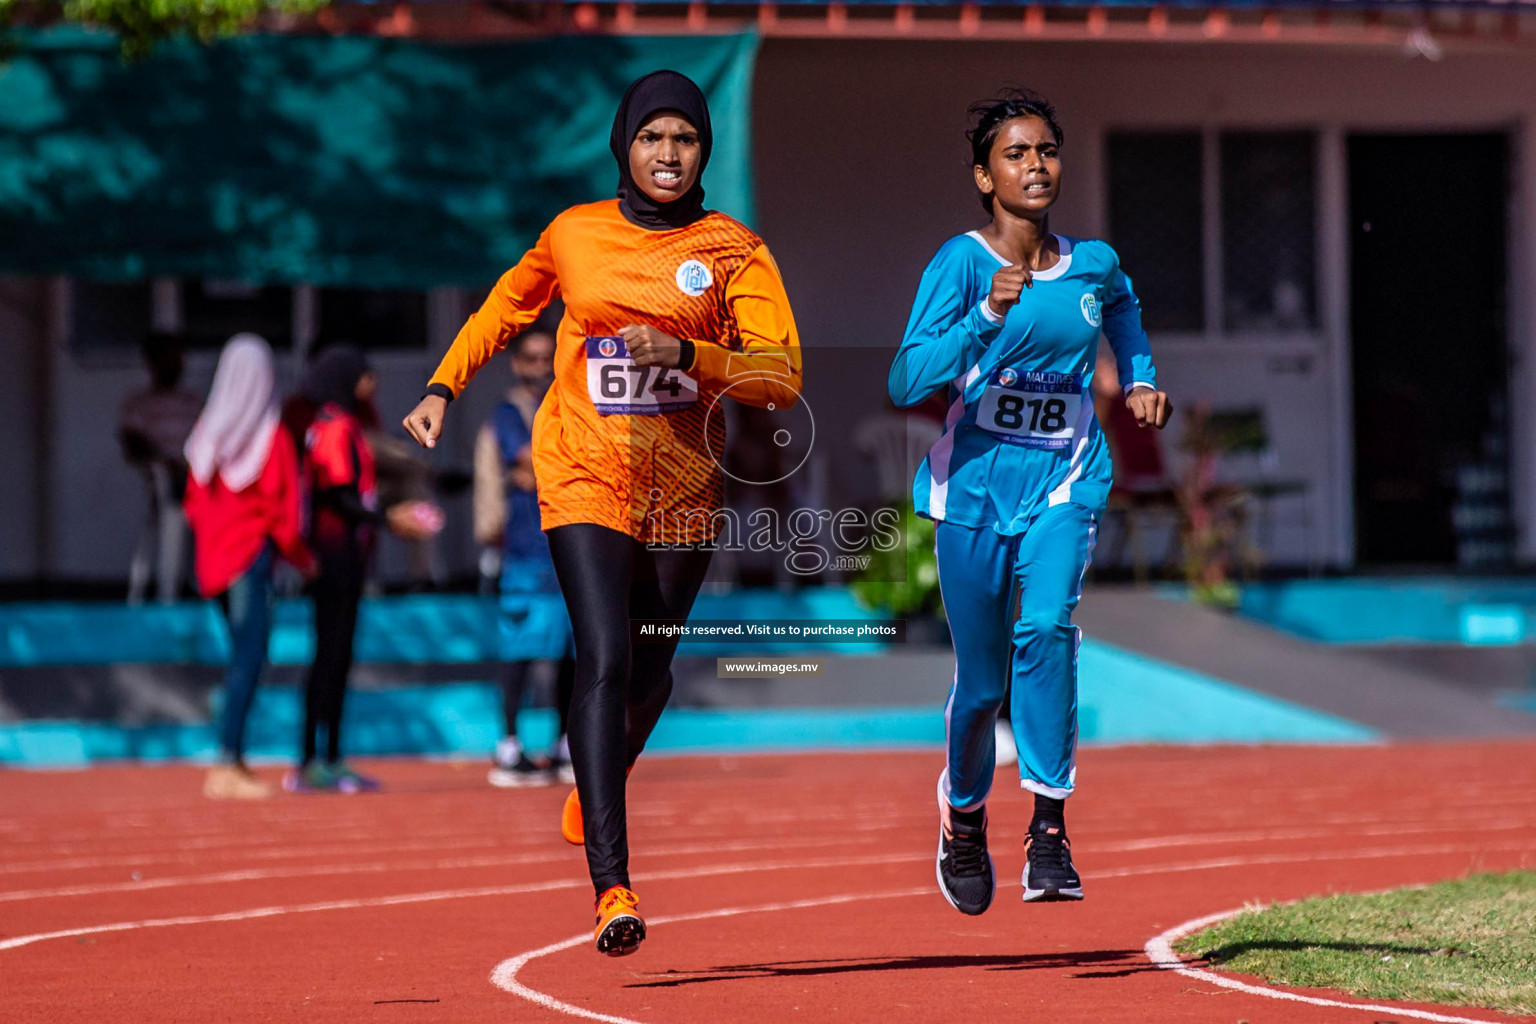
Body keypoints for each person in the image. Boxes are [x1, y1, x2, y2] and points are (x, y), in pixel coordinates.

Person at [402, 70, 802, 956]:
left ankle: (597, 778)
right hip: (582, 471)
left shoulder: (733, 250)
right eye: (652, 137)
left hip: (685, 487)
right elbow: (509, 304)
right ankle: (612, 890)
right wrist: (443, 385)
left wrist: (692, 355)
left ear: (704, 153)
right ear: (624, 144)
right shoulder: (574, 234)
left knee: (652, 673)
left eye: (686, 139)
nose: (668, 154)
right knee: (607, 657)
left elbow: (781, 377)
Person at [887, 89, 1171, 916]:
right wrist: (982, 315)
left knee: (1045, 630)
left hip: (1064, 478)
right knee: (981, 684)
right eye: (1016, 154)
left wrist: (1144, 378)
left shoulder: (1094, 263)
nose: (1035, 165)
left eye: (1046, 151)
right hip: (972, 492)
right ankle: (964, 816)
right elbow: (908, 378)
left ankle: (1048, 830)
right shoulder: (961, 264)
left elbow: (1125, 313)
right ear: (984, 175)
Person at [288, 345, 440, 794]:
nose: (373, 384)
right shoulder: (335, 428)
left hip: (347, 555)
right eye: (365, 376)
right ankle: (313, 760)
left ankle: (329, 757)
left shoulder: (344, 425)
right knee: (329, 658)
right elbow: (338, 495)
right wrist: (389, 520)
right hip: (334, 555)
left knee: (337, 658)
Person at [184, 334, 316, 799]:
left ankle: (230, 757)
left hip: (214, 565)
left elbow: (193, 507)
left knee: (240, 657)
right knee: (249, 658)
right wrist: (304, 560)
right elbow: (286, 515)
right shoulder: (270, 438)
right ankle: (227, 760)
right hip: (251, 561)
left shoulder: (205, 435)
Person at [473, 324, 577, 787]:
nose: (540, 367)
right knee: (519, 653)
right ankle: (509, 746)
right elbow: (530, 458)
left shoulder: (568, 408)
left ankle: (565, 745)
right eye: (531, 358)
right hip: (525, 553)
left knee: (573, 654)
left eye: (547, 357)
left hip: (568, 552)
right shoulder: (509, 414)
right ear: (516, 363)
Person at [120, 332, 202, 605]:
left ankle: (209, 587)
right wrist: (168, 463)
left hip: (198, 479)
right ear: (152, 362)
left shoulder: (192, 402)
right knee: (173, 496)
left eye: (178, 356)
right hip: (165, 484)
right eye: (169, 357)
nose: (176, 363)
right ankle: (169, 592)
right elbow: (132, 444)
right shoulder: (139, 404)